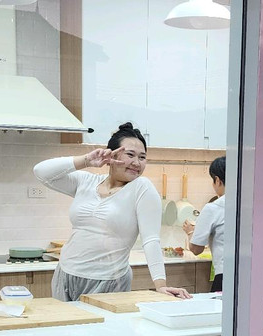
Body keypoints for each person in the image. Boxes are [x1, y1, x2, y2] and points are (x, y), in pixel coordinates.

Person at [34, 122, 193, 302]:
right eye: (130, 155)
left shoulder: (141, 188)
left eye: (142, 157)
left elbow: (151, 240)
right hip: (65, 274)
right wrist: (86, 160)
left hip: (108, 281)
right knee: (64, 321)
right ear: (111, 155)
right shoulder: (86, 181)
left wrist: (160, 285)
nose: (137, 163)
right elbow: (41, 172)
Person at [183, 156, 227, 292]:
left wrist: (190, 231)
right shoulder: (250, 203)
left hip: (225, 277)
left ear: (217, 180)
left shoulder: (214, 208)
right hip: (251, 276)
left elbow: (196, 249)